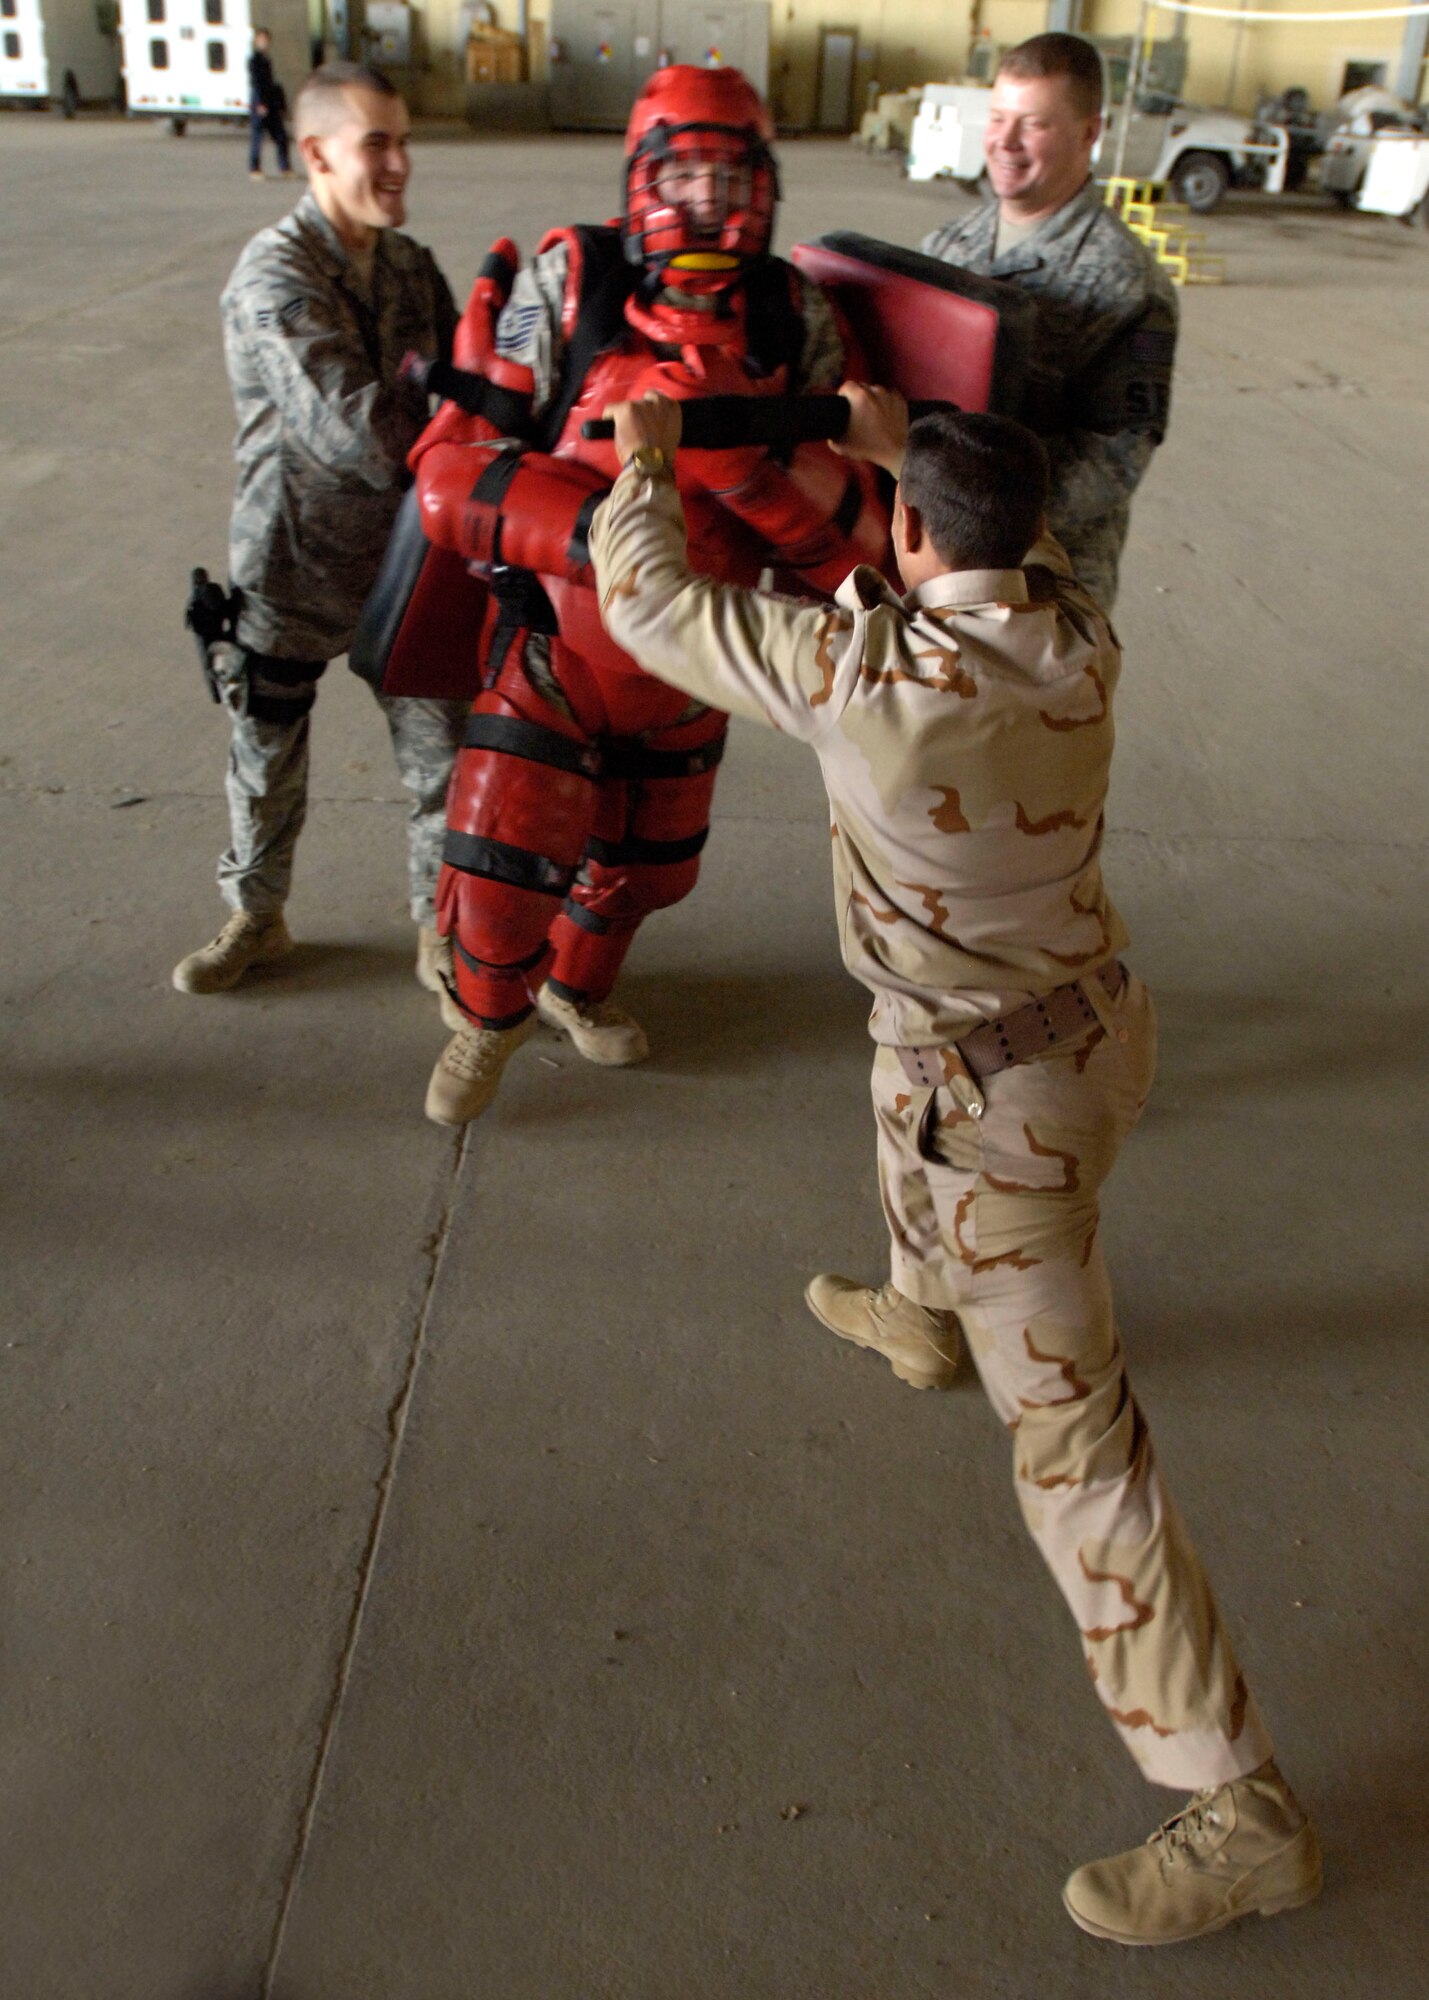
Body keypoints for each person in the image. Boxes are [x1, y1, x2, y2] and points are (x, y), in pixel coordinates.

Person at [584, 382, 1322, 1946]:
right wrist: (894, 449)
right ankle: (926, 1317)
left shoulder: (864, 677)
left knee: (1080, 1450)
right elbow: (1006, 531)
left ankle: (1238, 1806)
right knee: (895, 1074)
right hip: (1093, 1033)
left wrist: (640, 464)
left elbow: (644, 598)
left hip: (1003, 1118)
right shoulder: (1079, 634)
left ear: (908, 528)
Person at [408, 64, 887, 1126]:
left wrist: (745, 471)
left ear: (761, 183)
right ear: (641, 175)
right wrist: (610, 542)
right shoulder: (570, 277)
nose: (708, 203)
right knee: (503, 858)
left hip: (698, 653)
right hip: (552, 640)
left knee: (644, 864)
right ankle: (486, 1022)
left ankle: (578, 990)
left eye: (729, 177)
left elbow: (865, 544)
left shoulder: (793, 311)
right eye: (685, 174)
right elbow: (452, 471)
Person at [174, 63, 465, 1002]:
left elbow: (470, 383)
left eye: (403, 140)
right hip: (295, 559)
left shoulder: (412, 266)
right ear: (314, 152)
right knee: (264, 749)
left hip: (410, 559)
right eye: (377, 141)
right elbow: (354, 429)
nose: (399, 162)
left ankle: (440, 925)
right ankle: (256, 917)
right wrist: (457, 434)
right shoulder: (278, 275)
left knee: (444, 756)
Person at [922, 32, 1178, 609]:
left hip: (1044, 586)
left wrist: (978, 516)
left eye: (1033, 124)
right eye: (997, 117)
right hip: (929, 560)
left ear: (1090, 132)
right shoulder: (947, 245)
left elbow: (1117, 457)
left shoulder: (1132, 285)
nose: (1005, 142)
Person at [247, 27, 291, 181]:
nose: (264, 43)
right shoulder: (254, 60)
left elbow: (271, 83)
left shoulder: (267, 59)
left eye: (266, 40)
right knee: (257, 138)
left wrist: (280, 104)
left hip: (271, 103)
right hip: (260, 104)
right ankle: (254, 169)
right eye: (261, 40)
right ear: (256, 41)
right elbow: (256, 83)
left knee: (281, 137)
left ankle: (284, 167)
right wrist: (259, 103)